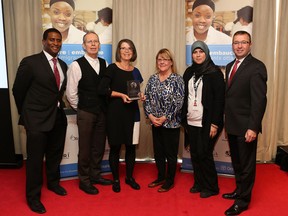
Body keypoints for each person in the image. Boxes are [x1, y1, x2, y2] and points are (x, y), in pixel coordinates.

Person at [12, 28, 68, 214]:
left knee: (54, 155)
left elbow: (57, 92)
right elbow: (18, 90)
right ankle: (33, 197)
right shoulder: (30, 62)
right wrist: (28, 113)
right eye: (51, 39)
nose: (55, 43)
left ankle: (53, 183)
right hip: (36, 120)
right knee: (35, 161)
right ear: (44, 41)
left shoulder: (63, 65)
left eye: (58, 40)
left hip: (57, 118)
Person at [223, 31, 267, 215]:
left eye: (243, 42)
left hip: (246, 127)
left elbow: (259, 101)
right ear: (232, 45)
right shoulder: (229, 65)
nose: (239, 46)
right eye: (236, 43)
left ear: (250, 44)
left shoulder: (257, 67)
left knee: (247, 165)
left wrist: (253, 127)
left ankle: (243, 201)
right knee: (238, 163)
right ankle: (239, 190)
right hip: (232, 125)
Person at [66, 31, 113, 195]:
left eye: (96, 41)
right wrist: (82, 108)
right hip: (86, 111)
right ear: (84, 45)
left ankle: (95, 175)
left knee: (98, 146)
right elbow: (71, 93)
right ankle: (84, 180)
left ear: (99, 45)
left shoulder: (105, 63)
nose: (93, 44)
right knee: (85, 148)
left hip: (102, 112)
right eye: (89, 41)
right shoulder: (76, 65)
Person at [98, 39, 145, 193]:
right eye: (123, 48)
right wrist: (120, 95)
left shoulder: (135, 71)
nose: (126, 51)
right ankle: (116, 179)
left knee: (131, 148)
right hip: (115, 114)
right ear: (119, 51)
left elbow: (136, 92)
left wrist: (141, 95)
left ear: (133, 51)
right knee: (115, 148)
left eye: (129, 48)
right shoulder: (112, 68)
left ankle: (129, 178)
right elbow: (102, 89)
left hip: (133, 114)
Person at [182, 41, 225, 198]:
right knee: (195, 154)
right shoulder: (188, 73)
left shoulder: (215, 73)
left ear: (206, 53)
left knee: (204, 153)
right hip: (191, 121)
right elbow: (185, 96)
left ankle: (212, 187)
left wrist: (215, 123)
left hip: (208, 122)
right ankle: (199, 183)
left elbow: (220, 101)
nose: (198, 55)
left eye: (201, 52)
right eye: (195, 52)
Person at [144, 49, 184, 192]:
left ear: (171, 62)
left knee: (171, 154)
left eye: (165, 59)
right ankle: (161, 177)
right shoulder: (152, 79)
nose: (162, 62)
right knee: (158, 153)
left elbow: (179, 102)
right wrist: (150, 116)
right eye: (159, 59)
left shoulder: (177, 79)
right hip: (155, 123)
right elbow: (146, 99)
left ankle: (169, 180)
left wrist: (165, 117)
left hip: (171, 124)